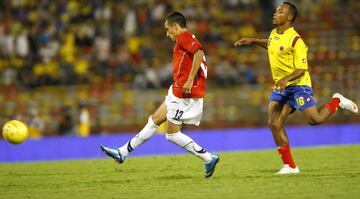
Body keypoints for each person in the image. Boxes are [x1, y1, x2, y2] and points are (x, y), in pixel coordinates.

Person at [234, 2, 358, 174]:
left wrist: (285, 78)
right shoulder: (274, 34)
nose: (275, 13)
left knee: (314, 120)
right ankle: (290, 166)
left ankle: (337, 101)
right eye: (276, 10)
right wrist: (254, 40)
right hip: (282, 87)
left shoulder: (296, 40)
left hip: (299, 86)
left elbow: (301, 69)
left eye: (280, 11)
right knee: (273, 122)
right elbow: (272, 43)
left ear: (289, 17)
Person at [100, 11, 219, 178]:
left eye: (168, 29)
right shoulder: (182, 39)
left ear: (176, 27)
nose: (167, 33)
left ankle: (208, 158)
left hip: (185, 94)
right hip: (177, 90)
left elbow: (198, 53)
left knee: (172, 135)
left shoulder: (185, 37)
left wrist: (191, 79)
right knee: (154, 119)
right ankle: (122, 152)